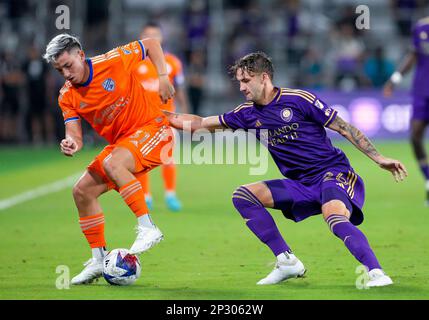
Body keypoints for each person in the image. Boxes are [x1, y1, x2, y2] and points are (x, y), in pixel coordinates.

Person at [165, 52, 408, 287]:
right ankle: (286, 261)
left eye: (246, 80)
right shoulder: (246, 113)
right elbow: (199, 124)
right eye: (239, 81)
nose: (241, 87)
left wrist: (379, 158)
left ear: (264, 78)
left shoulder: (299, 99)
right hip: (301, 184)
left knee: (333, 214)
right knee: (244, 196)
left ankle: (376, 272)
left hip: (332, 174)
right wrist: (159, 115)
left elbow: (343, 127)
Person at [43, 33, 175, 285]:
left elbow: (151, 44)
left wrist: (162, 77)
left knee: (112, 163)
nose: (66, 74)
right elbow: (76, 136)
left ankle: (148, 227)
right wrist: (71, 143)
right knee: (82, 191)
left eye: (68, 65)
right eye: (60, 70)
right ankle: (97, 258)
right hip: (124, 144)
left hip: (154, 130)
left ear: (81, 55)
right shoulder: (67, 96)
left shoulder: (112, 60)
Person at [134, 22, 189, 212]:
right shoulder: (134, 63)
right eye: (147, 35)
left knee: (168, 157)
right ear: (141, 38)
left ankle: (170, 194)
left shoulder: (172, 62)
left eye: (155, 35)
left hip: (167, 118)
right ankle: (145, 196)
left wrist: (185, 110)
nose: (152, 38)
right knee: (140, 159)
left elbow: (179, 88)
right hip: (140, 119)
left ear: (161, 38)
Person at [383, 16, 429, 204]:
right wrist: (395, 79)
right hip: (422, 91)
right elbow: (413, 55)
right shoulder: (421, 27)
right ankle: (428, 179)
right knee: (415, 135)